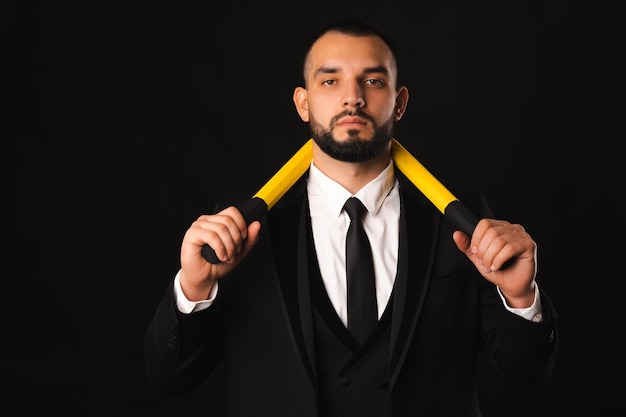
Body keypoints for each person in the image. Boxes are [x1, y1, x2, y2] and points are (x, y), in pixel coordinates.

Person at [144, 19, 558, 417]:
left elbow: (528, 373)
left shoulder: (462, 220)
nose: (352, 97)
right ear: (303, 103)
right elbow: (170, 379)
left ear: (400, 102)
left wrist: (521, 299)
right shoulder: (239, 231)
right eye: (330, 80)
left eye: (373, 81)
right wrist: (194, 288)